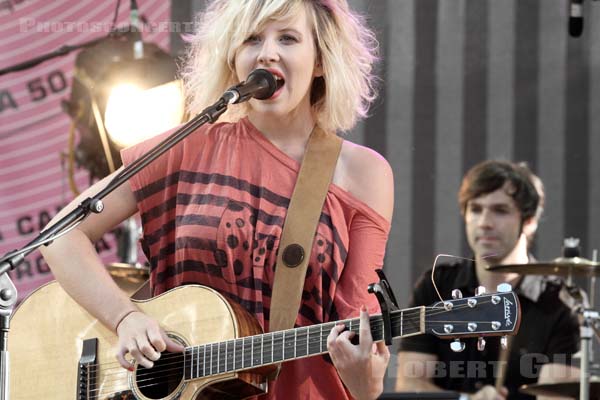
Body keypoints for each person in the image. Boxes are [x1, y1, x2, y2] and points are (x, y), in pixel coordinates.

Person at [40, 1, 394, 399]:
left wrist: (367, 381)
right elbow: (59, 237)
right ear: (233, 57)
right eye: (251, 39)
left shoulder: (363, 173)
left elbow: (359, 323)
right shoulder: (184, 149)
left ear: (320, 61)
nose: (267, 53)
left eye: (288, 38)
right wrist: (125, 318)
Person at [395, 160, 579, 400]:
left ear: (530, 220)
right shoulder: (436, 286)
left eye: (500, 210)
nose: (484, 223)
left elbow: (557, 396)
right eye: (475, 209)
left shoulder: (559, 303)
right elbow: (410, 384)